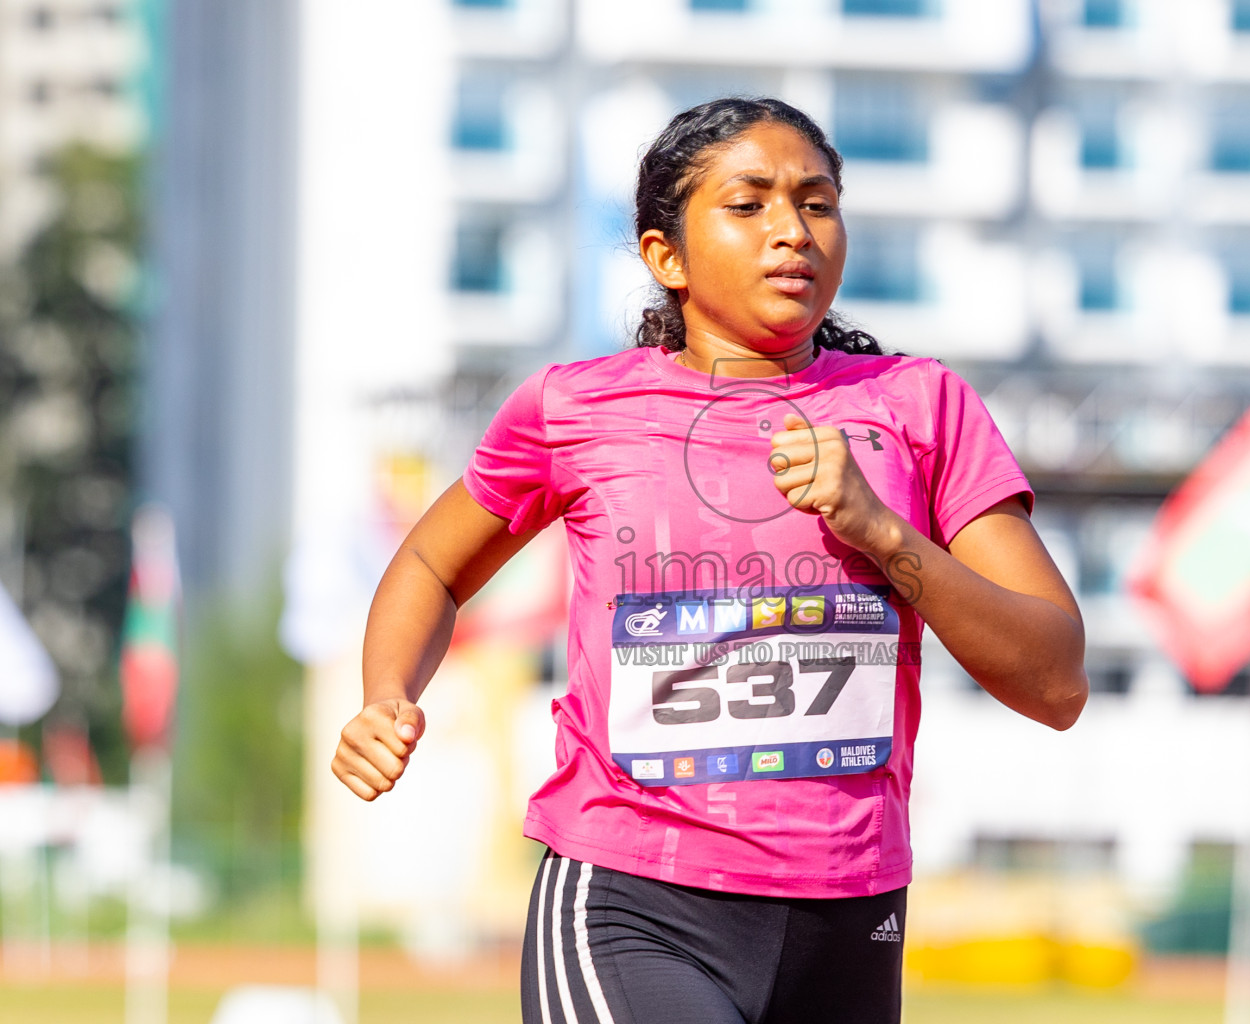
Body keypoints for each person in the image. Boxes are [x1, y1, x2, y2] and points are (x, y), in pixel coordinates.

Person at [331, 96, 1088, 1024]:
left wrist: (883, 533)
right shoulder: (573, 410)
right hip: (634, 901)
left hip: (853, 917)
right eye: (750, 204)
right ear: (666, 258)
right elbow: (431, 564)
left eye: (817, 202)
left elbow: (1055, 683)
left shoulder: (923, 408)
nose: (793, 232)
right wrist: (385, 693)